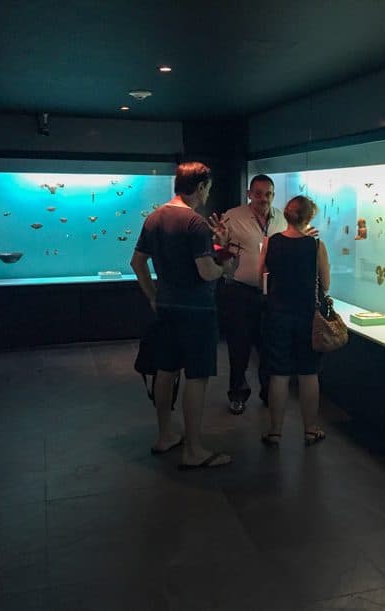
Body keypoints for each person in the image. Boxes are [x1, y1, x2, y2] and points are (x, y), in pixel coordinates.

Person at [130, 161, 234, 470]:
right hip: (197, 311)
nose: (207, 195)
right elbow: (205, 271)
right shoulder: (196, 223)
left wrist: (152, 296)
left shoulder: (154, 218)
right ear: (201, 186)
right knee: (197, 376)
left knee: (166, 370)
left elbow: (137, 262)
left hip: (167, 307)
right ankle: (194, 449)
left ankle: (165, 436)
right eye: (208, 189)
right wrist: (225, 266)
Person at [258, 195, 329, 447]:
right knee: (308, 372)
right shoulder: (316, 245)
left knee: (278, 374)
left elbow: (261, 278)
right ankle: (310, 429)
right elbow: (326, 283)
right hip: (308, 316)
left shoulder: (271, 242)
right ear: (309, 217)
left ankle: (275, 431)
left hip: (277, 314)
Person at [217, 175, 287, 414]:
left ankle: (269, 393)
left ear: (273, 195)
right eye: (258, 194)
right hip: (239, 292)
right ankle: (237, 394)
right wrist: (220, 240)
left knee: (269, 346)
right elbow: (219, 246)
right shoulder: (233, 216)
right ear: (249, 194)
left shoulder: (282, 218)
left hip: (272, 294)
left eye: (268, 194)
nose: (263, 199)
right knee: (239, 347)